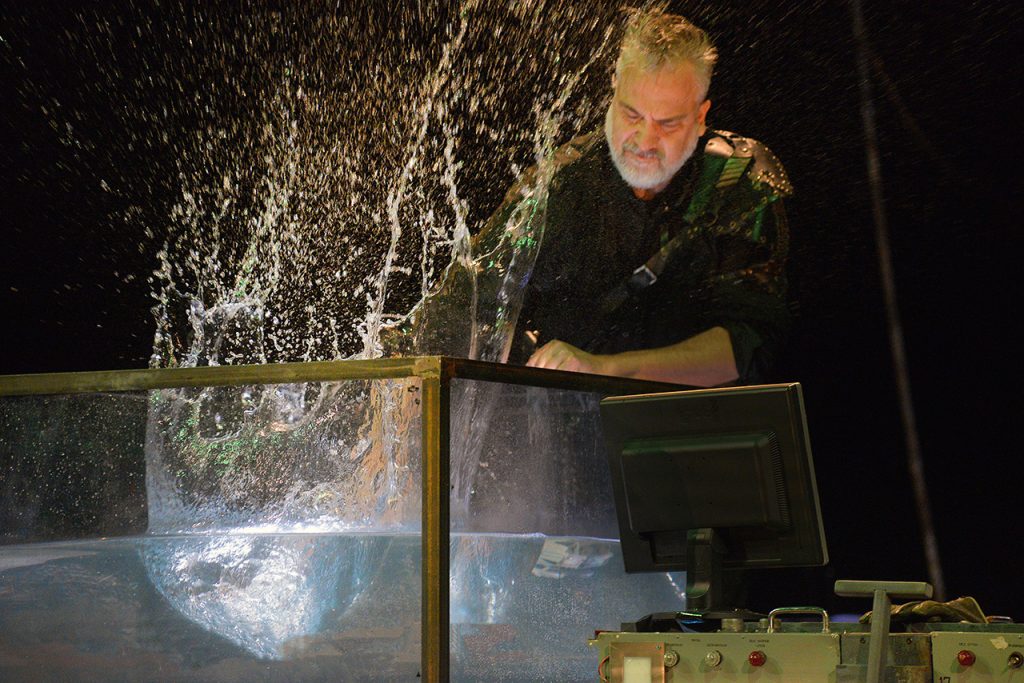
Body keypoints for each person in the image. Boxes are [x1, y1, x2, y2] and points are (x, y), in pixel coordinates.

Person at [497, 7, 793, 387]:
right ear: (613, 89)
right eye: (632, 115)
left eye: (667, 123)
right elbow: (474, 297)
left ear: (701, 117)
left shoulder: (737, 179)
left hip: (696, 417)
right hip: (557, 413)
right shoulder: (560, 181)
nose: (645, 141)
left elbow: (750, 343)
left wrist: (607, 369)